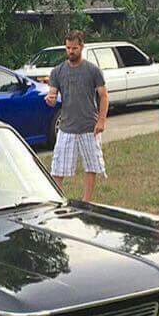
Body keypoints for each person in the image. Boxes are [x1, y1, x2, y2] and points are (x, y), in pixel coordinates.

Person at [45, 30, 108, 202]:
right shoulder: (57, 71)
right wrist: (50, 99)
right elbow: (52, 95)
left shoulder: (92, 70)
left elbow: (103, 96)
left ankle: (86, 202)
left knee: (91, 165)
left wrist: (101, 120)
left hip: (89, 126)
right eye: (68, 48)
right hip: (66, 127)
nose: (71, 51)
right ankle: (57, 201)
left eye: (74, 48)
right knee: (58, 167)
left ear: (81, 46)